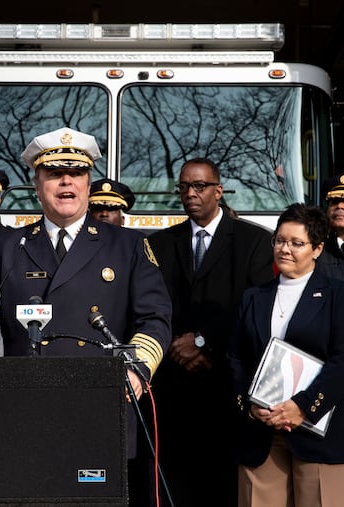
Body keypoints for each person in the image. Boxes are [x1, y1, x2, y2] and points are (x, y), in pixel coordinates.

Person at [0, 126, 171, 493]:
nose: (66, 182)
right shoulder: (6, 247)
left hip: (102, 402)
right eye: (54, 174)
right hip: (24, 407)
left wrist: (138, 370)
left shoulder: (127, 245)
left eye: (76, 173)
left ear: (88, 183)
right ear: (37, 184)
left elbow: (154, 318)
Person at [144, 157, 274, 506]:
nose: (190, 193)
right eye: (184, 187)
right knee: (175, 483)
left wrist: (205, 342)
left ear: (219, 190)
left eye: (199, 186)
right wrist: (174, 345)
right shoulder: (158, 244)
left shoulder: (255, 241)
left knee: (222, 488)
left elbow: (256, 308)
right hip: (174, 386)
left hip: (225, 385)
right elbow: (152, 305)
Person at [227, 203, 344, 506]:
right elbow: (236, 358)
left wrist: (302, 407)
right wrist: (249, 405)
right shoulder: (253, 296)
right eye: (279, 240)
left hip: (322, 433)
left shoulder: (340, 295)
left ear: (317, 248)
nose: (285, 249)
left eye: (296, 243)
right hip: (259, 434)